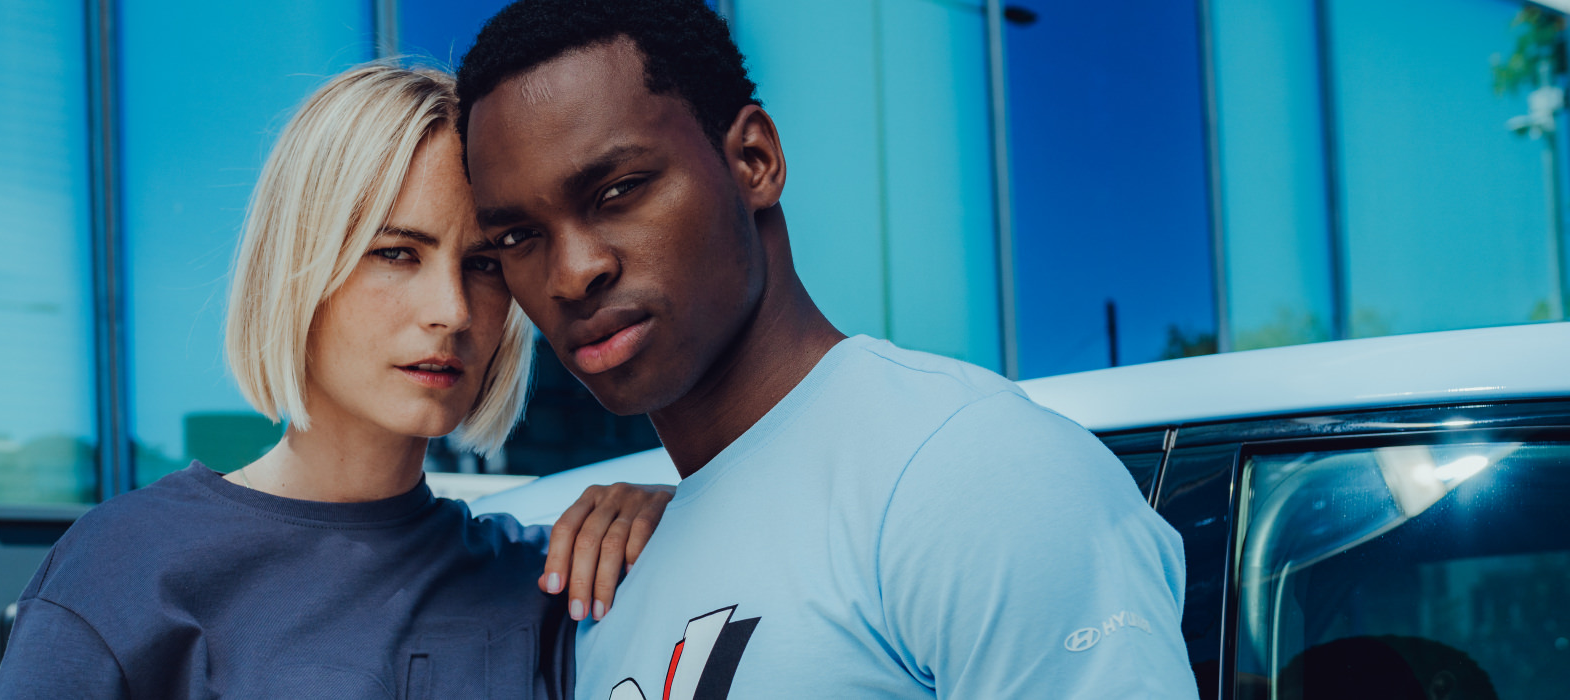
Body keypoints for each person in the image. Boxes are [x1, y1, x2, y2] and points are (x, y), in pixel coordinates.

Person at [455, 0, 1196, 697]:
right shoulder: (617, 569)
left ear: (753, 161)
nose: (572, 273)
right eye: (519, 237)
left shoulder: (973, 473)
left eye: (618, 191)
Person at [0, 64, 672, 699]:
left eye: (484, 265)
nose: (452, 311)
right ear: (301, 265)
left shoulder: (542, 582)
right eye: (397, 254)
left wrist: (675, 510)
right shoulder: (124, 571)